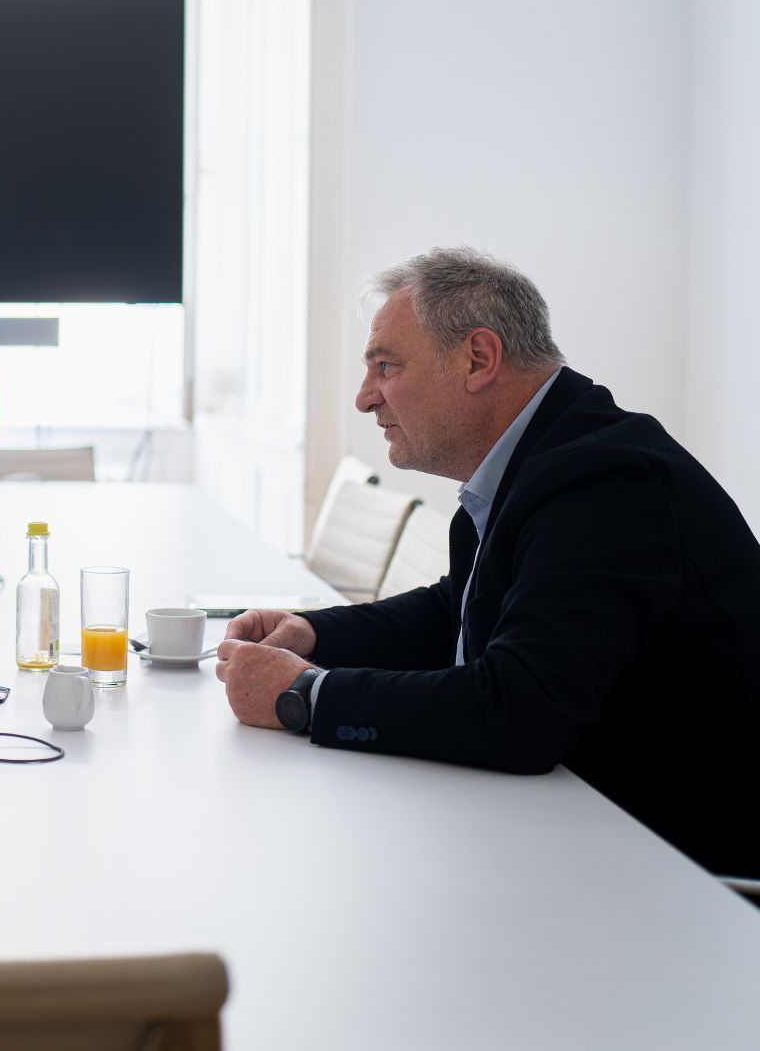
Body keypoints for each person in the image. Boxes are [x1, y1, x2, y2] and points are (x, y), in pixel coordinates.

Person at [214, 246, 760, 876]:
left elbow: (518, 710)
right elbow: (461, 606)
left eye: (386, 367)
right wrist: (314, 632)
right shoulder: (545, 460)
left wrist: (306, 695)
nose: (365, 399)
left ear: (477, 359)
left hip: (674, 875)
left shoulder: (606, 483)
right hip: (575, 829)